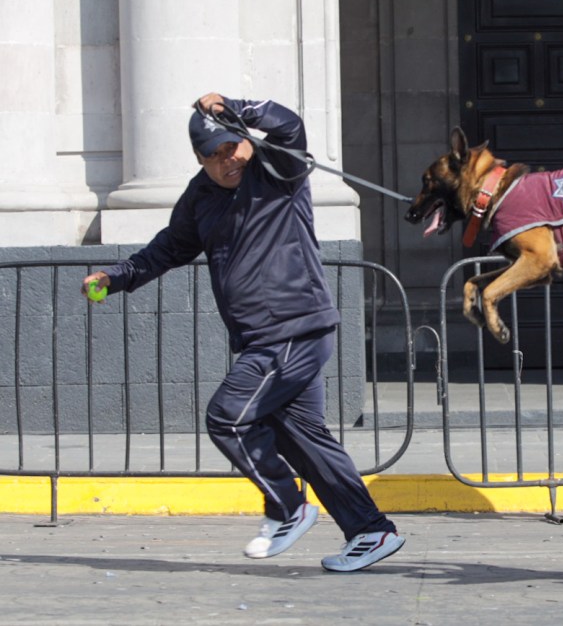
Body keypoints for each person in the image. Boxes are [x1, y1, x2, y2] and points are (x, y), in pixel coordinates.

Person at [81, 93, 404, 572]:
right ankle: (370, 530)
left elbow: (290, 125)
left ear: (245, 142)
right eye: (213, 155)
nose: (227, 160)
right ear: (199, 159)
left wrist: (236, 107)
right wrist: (118, 276)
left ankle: (286, 508)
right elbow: (170, 247)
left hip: (293, 327)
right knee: (303, 439)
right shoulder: (201, 197)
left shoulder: (277, 169)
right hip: (263, 336)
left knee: (228, 418)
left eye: (232, 147)